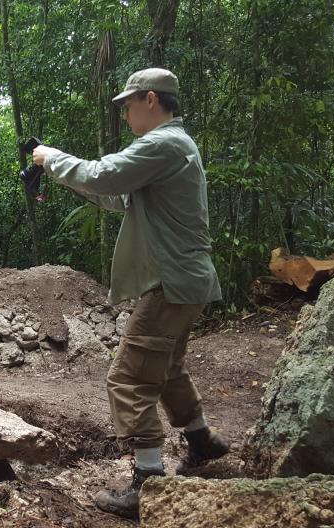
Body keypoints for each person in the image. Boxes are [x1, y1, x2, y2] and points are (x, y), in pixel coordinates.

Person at [31, 67, 230, 520]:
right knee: (168, 367)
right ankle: (201, 439)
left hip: (171, 282)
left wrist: (53, 158)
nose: (125, 115)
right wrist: (69, 176)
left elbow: (104, 175)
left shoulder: (163, 143)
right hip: (188, 280)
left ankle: (148, 482)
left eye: (128, 105)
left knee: (129, 378)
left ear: (151, 100)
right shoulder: (176, 146)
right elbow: (117, 195)